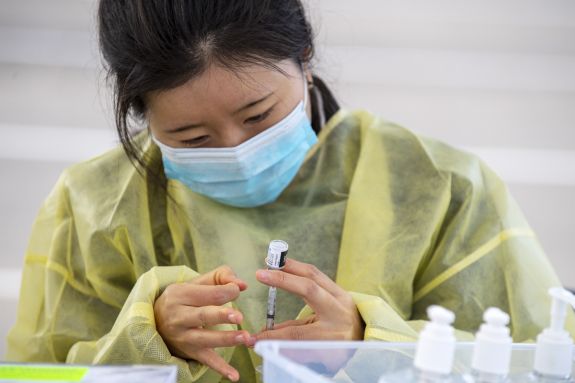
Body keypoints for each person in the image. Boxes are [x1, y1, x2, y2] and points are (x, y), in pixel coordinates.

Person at [7, 1, 574, 382]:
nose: (236, 150)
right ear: (140, 115)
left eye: (258, 116)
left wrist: (369, 340)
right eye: (192, 136)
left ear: (304, 62)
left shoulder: (439, 186)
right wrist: (145, 339)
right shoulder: (93, 207)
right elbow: (43, 371)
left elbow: (525, 359)